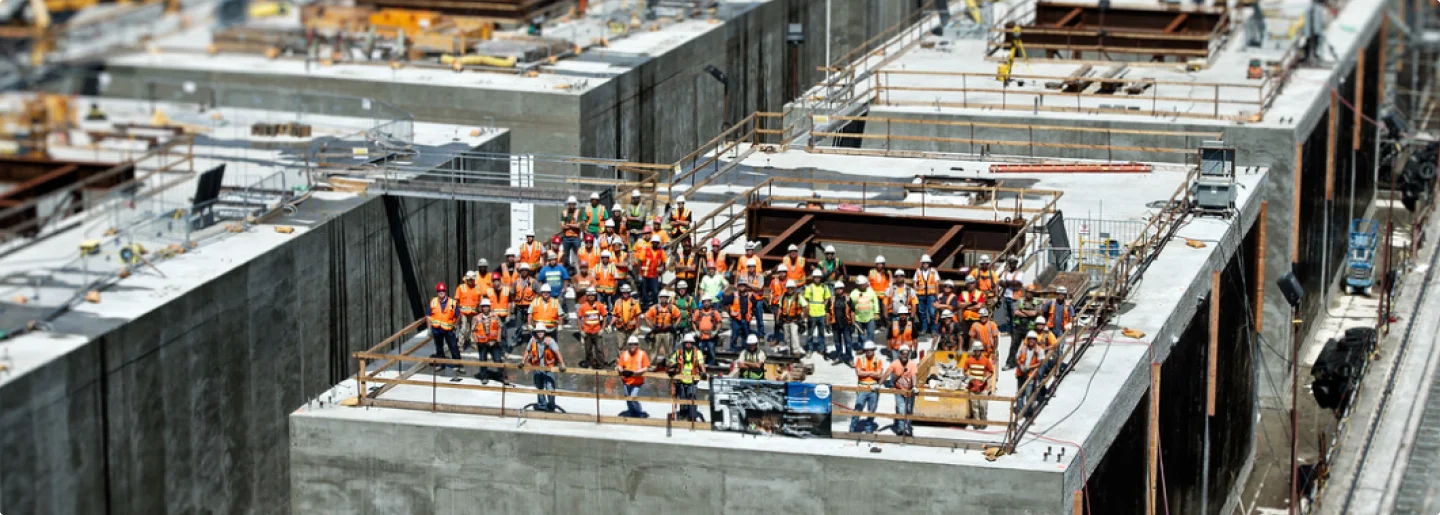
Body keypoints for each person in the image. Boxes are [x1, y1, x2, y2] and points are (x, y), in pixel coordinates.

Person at [522, 325, 566, 412]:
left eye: (541, 331)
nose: (540, 333)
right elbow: (527, 351)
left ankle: (551, 405)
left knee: (550, 388)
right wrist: (523, 361)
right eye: (538, 331)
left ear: (545, 332)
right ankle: (542, 405)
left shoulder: (550, 341)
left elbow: (557, 352)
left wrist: (562, 363)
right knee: (539, 387)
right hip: (537, 367)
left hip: (549, 368)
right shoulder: (533, 340)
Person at [668, 333, 708, 421]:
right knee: (682, 398)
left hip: (692, 380)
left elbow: (701, 364)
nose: (688, 344)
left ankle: (691, 416)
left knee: (692, 397)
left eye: (690, 342)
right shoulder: (679, 352)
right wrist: (673, 366)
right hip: (681, 380)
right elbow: (671, 362)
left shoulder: (698, 353)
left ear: (693, 343)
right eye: (686, 342)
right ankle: (683, 414)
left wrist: (704, 373)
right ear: (684, 343)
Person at [882, 345, 918, 436]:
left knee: (909, 410)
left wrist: (914, 386)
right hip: (898, 390)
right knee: (902, 409)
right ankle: (902, 429)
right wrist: (878, 384)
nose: (905, 356)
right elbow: (887, 373)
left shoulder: (912, 364)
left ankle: (908, 428)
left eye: (907, 354)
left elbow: (914, 375)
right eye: (903, 354)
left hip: (909, 391)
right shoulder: (895, 363)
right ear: (900, 354)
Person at [959, 340, 995, 429]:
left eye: (979, 350)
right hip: (973, 387)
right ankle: (977, 423)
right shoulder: (969, 360)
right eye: (976, 350)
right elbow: (964, 371)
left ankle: (983, 422)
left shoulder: (986, 361)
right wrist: (969, 376)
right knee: (975, 407)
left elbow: (991, 371)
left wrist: (986, 378)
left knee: (983, 406)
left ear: (981, 351)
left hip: (983, 388)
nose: (977, 352)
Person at [429, 282, 462, 377]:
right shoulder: (433, 302)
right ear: (437, 292)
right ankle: (441, 364)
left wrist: (455, 325)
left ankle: (458, 364)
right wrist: (429, 327)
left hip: (448, 329)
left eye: (443, 291)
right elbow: (428, 315)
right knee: (439, 348)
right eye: (439, 291)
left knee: (453, 346)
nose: (441, 292)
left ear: (445, 291)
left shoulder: (451, 303)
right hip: (437, 329)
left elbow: (457, 314)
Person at [851, 341, 884, 433]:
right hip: (862, 389)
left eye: (871, 350)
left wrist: (866, 373)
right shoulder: (860, 359)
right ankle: (852, 427)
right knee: (858, 409)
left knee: (872, 410)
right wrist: (871, 373)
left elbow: (879, 375)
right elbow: (859, 373)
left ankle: (868, 429)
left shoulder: (878, 360)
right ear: (865, 351)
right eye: (867, 350)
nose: (869, 351)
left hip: (874, 390)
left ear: (874, 350)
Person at [471, 298, 506, 384]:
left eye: (487, 306)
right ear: (481, 308)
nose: (485, 308)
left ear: (489, 307)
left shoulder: (495, 316)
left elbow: (500, 328)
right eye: (484, 307)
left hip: (494, 342)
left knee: (498, 360)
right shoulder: (476, 318)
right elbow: (473, 330)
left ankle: (503, 376)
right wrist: (475, 341)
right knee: (483, 360)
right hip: (482, 343)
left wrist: (498, 339)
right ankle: (484, 376)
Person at [616, 336, 652, 418]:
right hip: (626, 381)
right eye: (631, 344)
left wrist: (635, 372)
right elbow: (619, 366)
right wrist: (622, 371)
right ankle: (632, 412)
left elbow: (646, 367)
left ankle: (639, 412)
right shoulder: (624, 354)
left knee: (633, 397)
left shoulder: (642, 354)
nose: (633, 346)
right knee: (628, 398)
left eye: (635, 344)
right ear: (628, 345)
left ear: (637, 345)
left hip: (637, 381)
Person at [1007, 285, 1041, 370]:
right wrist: (1027, 314)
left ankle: (1029, 363)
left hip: (1029, 328)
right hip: (1019, 327)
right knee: (1014, 345)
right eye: (1029, 292)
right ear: (1026, 292)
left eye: (1032, 293)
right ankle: (1010, 363)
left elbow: (1034, 314)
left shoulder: (1036, 302)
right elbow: (1016, 312)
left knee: (1029, 346)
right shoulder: (1020, 301)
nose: (1030, 294)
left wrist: (1023, 310)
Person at [577, 288, 610, 368]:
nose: (591, 297)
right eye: (589, 295)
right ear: (587, 296)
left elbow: (605, 316)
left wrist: (602, 328)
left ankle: (601, 364)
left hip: (597, 331)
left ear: (595, 296)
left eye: (592, 295)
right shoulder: (583, 307)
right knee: (588, 349)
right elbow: (579, 318)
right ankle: (591, 363)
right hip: (587, 332)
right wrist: (581, 331)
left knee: (599, 349)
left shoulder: (599, 305)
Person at [802, 269, 832, 357]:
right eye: (816, 277)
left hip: (821, 314)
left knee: (821, 333)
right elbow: (806, 299)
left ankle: (821, 348)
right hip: (812, 314)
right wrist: (808, 310)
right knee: (810, 333)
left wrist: (824, 305)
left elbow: (827, 298)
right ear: (813, 278)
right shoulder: (809, 287)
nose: (817, 279)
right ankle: (810, 349)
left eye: (819, 277)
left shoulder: (824, 287)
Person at [644, 290, 682, 357]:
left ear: (667, 298)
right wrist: (651, 326)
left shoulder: (672, 307)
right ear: (659, 298)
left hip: (668, 332)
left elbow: (679, 316)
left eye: (665, 297)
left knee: (669, 351)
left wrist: (675, 326)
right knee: (654, 350)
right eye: (662, 297)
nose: (663, 299)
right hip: (657, 332)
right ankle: (653, 365)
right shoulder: (655, 307)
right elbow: (646, 316)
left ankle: (669, 365)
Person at [726, 282, 761, 352]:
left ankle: (745, 350)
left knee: (746, 335)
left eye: (743, 285)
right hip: (736, 319)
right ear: (738, 287)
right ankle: (733, 350)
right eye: (740, 285)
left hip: (746, 319)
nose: (741, 287)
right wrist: (730, 312)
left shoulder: (750, 295)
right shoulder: (734, 295)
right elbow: (725, 302)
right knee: (734, 335)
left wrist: (751, 314)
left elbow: (755, 305)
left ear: (746, 287)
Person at [455, 271, 484, 350]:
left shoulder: (477, 288)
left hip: (474, 312)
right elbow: (456, 300)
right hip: (463, 313)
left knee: (474, 329)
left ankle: (473, 343)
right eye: (469, 280)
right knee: (463, 328)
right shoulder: (461, 287)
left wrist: (481, 310)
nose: (471, 281)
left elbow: (481, 300)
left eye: (472, 280)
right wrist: (457, 312)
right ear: (466, 279)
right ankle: (460, 344)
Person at [636, 235, 667, 308]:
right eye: (654, 242)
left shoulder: (661, 252)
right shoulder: (646, 250)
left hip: (654, 275)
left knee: (655, 292)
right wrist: (639, 274)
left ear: (658, 243)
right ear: (652, 243)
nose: (655, 244)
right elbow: (640, 261)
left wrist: (662, 269)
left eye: (656, 242)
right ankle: (645, 306)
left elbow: (664, 263)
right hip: (645, 275)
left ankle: (655, 306)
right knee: (644, 292)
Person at [998, 256, 1026, 333]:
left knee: (1014, 315)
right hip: (1006, 296)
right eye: (1010, 262)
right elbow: (1000, 282)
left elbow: (1017, 283)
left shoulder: (1020, 273)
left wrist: (1007, 282)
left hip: (1015, 298)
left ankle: (1014, 331)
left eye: (1013, 262)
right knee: (1007, 315)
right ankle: (1009, 330)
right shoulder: (1006, 273)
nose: (1011, 264)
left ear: (1016, 263)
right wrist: (1010, 283)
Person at [511, 263, 538, 343]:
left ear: (528, 271)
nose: (524, 272)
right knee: (519, 325)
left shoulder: (533, 282)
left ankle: (534, 338)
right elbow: (512, 293)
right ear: (520, 271)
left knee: (532, 324)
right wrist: (514, 302)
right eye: (522, 270)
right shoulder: (516, 282)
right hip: (519, 307)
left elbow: (539, 293)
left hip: (530, 307)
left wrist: (534, 303)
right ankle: (517, 339)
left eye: (526, 270)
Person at [692, 297, 724, 365]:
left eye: (708, 302)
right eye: (705, 302)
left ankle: (711, 365)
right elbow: (693, 322)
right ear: (702, 303)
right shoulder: (698, 312)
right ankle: (699, 366)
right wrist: (696, 331)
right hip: (701, 336)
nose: (706, 303)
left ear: (710, 302)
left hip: (711, 336)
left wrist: (716, 331)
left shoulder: (714, 312)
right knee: (700, 352)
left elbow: (719, 322)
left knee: (711, 352)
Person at [914, 254, 941, 335]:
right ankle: (924, 328)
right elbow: (914, 282)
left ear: (929, 263)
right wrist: (916, 293)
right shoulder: (918, 271)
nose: (926, 264)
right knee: (922, 313)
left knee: (932, 312)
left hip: (931, 295)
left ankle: (933, 329)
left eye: (927, 262)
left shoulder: (934, 271)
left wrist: (937, 296)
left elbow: (936, 284)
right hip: (921, 295)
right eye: (924, 262)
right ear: (922, 263)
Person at [851, 276, 881, 346]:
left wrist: (876, 312)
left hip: (870, 317)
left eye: (865, 284)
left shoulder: (871, 291)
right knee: (860, 334)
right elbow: (851, 306)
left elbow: (875, 302)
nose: (866, 285)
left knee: (871, 333)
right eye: (863, 284)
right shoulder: (854, 293)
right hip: (858, 317)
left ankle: (870, 347)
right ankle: (861, 347)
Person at [612, 284, 643, 353]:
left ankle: (634, 361)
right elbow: (615, 315)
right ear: (621, 292)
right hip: (621, 328)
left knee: (634, 345)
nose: (625, 294)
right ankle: (621, 361)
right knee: (620, 346)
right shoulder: (618, 302)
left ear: (629, 292)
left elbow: (638, 316)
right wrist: (610, 324)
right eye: (624, 292)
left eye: (627, 292)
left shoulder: (635, 302)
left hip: (632, 329)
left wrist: (638, 327)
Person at [829, 281, 856, 359]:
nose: (839, 290)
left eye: (841, 288)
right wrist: (827, 323)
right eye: (837, 289)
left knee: (848, 342)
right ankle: (839, 356)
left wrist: (853, 324)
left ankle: (849, 357)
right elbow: (828, 312)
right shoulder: (832, 299)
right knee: (837, 342)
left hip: (846, 325)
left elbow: (852, 312)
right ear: (835, 290)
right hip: (835, 325)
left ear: (843, 289)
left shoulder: (847, 298)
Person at [778, 280, 805, 355]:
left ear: (794, 288)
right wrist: (778, 319)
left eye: (791, 288)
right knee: (786, 337)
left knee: (794, 336)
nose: (790, 290)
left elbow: (806, 307)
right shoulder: (783, 297)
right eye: (788, 288)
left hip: (794, 320)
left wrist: (803, 318)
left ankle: (796, 351)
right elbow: (780, 308)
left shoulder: (798, 297)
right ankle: (788, 351)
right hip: (785, 320)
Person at [560, 196, 584, 268]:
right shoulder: (564, 212)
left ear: (575, 204)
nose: (571, 205)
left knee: (579, 254)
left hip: (576, 237)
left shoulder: (578, 212)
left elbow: (578, 226)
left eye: (573, 204)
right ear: (568, 204)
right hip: (566, 237)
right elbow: (562, 226)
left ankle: (579, 269)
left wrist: (568, 224)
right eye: (570, 204)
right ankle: (567, 271)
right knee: (566, 256)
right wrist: (573, 225)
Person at [869, 256, 893, 325]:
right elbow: (869, 283)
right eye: (879, 264)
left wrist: (889, 289)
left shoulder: (888, 272)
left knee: (884, 309)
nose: (880, 265)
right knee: (876, 310)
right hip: (875, 295)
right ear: (876, 264)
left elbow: (890, 282)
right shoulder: (872, 272)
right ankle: (877, 323)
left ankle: (884, 322)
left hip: (884, 295)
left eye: (882, 264)